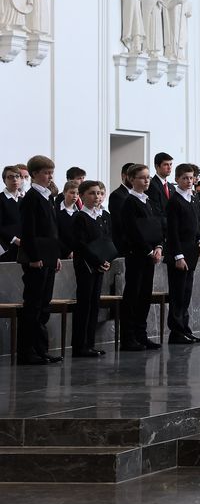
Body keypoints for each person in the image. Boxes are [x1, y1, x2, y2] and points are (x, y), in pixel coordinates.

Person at [17, 155, 63, 364]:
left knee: (44, 306)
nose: (50, 176)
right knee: (33, 306)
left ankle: (41, 349)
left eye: (51, 172)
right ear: (34, 174)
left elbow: (52, 231)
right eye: (46, 172)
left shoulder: (48, 197)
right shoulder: (31, 198)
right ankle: (27, 352)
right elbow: (29, 232)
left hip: (48, 258)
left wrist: (56, 257)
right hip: (36, 260)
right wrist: (34, 258)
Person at [119, 164, 163, 351]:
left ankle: (141, 334)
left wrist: (159, 246)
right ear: (131, 179)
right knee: (133, 295)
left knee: (145, 295)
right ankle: (128, 337)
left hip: (150, 255)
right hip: (137, 255)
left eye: (148, 177)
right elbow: (132, 230)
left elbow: (156, 226)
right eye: (142, 177)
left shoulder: (149, 201)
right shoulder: (129, 202)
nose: (146, 180)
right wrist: (148, 250)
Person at [71, 180, 113, 357]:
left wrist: (107, 259)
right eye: (92, 193)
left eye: (99, 193)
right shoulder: (80, 217)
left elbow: (107, 240)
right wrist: (97, 260)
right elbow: (80, 244)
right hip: (86, 265)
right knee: (85, 304)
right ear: (81, 196)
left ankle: (90, 343)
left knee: (94, 304)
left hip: (99, 265)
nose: (97, 197)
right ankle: (80, 345)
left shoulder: (102, 216)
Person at [165, 163, 200, 344]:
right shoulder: (174, 201)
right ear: (177, 180)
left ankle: (185, 328)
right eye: (185, 178)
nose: (189, 181)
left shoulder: (193, 198)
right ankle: (176, 331)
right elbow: (172, 232)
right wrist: (177, 256)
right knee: (177, 294)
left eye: (191, 178)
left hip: (192, 252)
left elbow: (197, 223)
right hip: (179, 255)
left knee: (186, 293)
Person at [147, 151, 174, 237]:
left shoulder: (171, 187)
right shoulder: (152, 185)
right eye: (166, 164)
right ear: (157, 166)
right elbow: (156, 212)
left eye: (170, 164)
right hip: (160, 230)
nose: (169, 168)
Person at [0, 165, 21, 262]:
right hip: (6, 247)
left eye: (17, 176)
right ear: (4, 180)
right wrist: (15, 239)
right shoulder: (1, 199)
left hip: (23, 247)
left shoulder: (23, 199)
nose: (15, 180)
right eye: (10, 177)